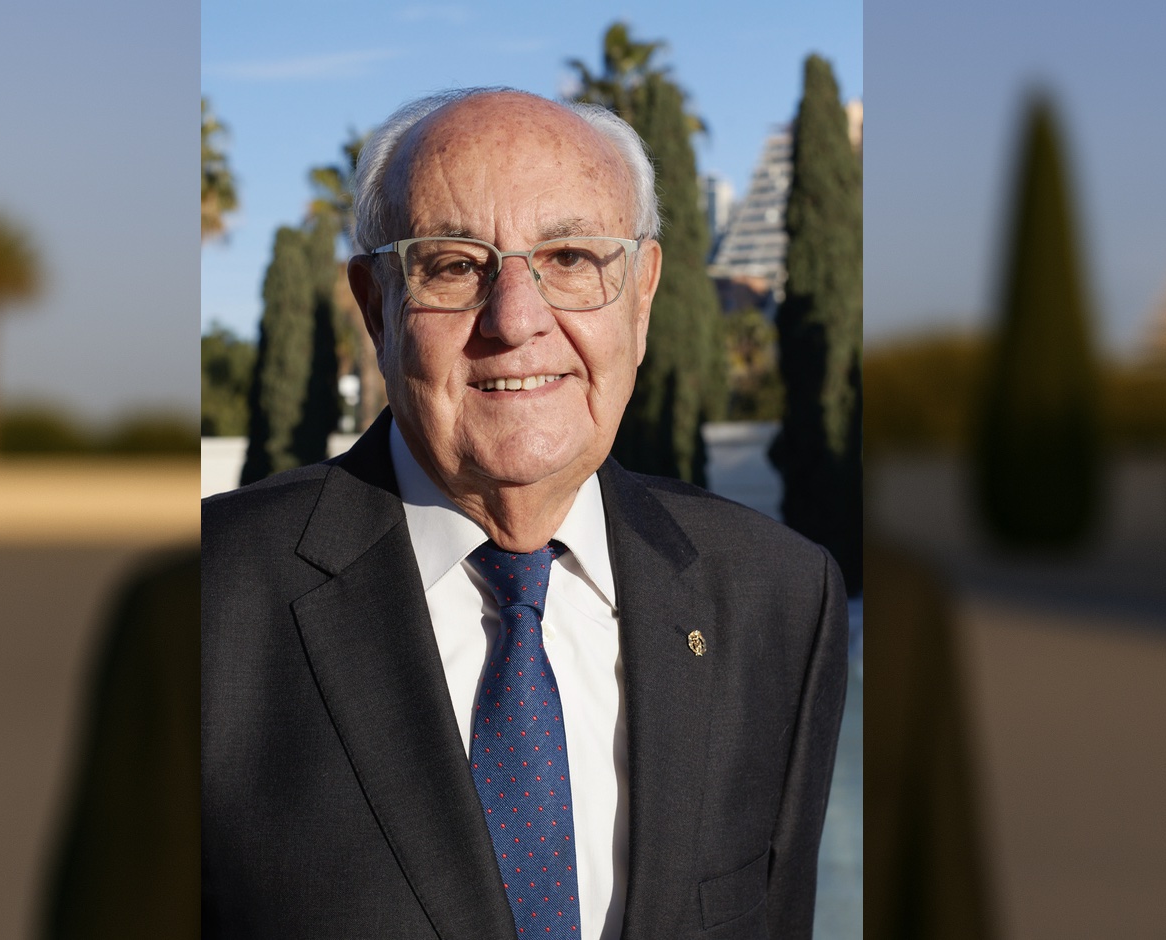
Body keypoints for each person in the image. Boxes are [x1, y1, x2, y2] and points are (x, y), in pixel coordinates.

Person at [201, 88, 847, 940]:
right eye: (454, 266)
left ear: (642, 297)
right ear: (377, 306)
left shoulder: (777, 596)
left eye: (571, 257)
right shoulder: (204, 605)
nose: (515, 321)